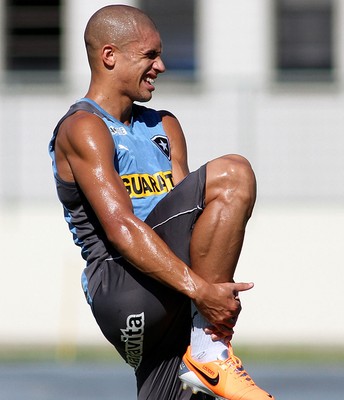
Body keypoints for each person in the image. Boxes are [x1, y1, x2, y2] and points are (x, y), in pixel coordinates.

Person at [49, 5, 274, 400]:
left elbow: (194, 222)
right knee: (233, 173)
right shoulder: (83, 127)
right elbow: (120, 228)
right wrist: (203, 293)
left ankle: (202, 357)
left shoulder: (164, 125)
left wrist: (203, 285)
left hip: (166, 291)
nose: (162, 66)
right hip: (123, 285)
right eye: (150, 55)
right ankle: (210, 348)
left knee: (188, 395)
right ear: (109, 56)